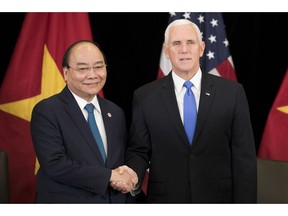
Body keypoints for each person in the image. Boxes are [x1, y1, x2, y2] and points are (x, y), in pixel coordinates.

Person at [122, 19, 257, 203]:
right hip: (166, 201)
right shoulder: (144, 96)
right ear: (166, 51)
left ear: (201, 48)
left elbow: (244, 158)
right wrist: (131, 174)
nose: (184, 49)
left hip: (219, 200)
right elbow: (139, 150)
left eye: (190, 43)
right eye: (176, 43)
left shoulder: (232, 93)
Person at [30, 40, 137, 203]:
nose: (93, 74)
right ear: (66, 73)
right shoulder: (47, 111)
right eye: (82, 68)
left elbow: (117, 162)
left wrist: (126, 175)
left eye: (99, 66)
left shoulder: (115, 112)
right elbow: (55, 164)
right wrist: (109, 176)